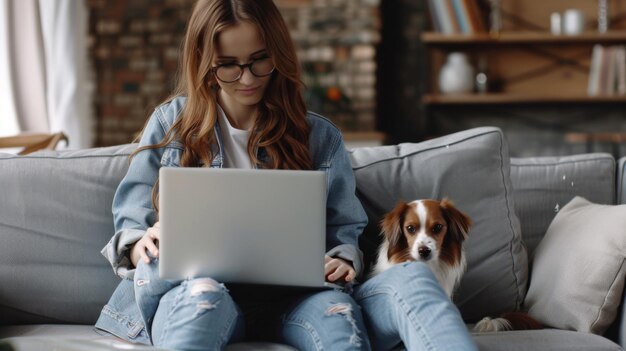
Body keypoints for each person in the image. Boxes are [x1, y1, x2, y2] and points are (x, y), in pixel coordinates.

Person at [95, 0, 371, 350]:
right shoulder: (170, 124)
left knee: (339, 320)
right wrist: (138, 247)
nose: (248, 78)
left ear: (279, 53)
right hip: (195, 290)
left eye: (260, 60)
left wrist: (342, 259)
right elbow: (131, 218)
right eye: (228, 65)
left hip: (295, 298)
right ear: (204, 62)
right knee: (201, 300)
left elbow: (343, 230)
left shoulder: (320, 137)